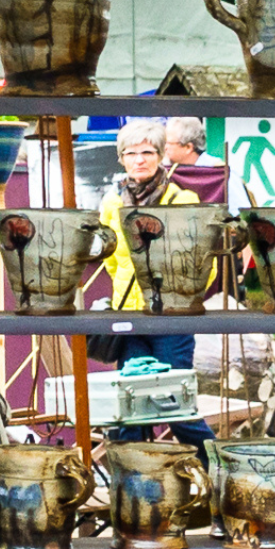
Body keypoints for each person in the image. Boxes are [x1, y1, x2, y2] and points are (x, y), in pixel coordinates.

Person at [87, 118, 200, 375]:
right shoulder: (112, 203)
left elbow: (203, 263)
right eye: (131, 153)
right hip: (129, 317)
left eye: (148, 152)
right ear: (121, 158)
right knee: (134, 402)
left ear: (161, 155)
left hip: (172, 317)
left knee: (174, 401)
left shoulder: (182, 201)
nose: (139, 160)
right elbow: (113, 261)